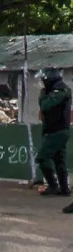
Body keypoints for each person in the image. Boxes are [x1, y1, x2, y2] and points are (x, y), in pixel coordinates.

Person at [35, 68, 72, 199]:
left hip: (58, 131)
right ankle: (64, 189)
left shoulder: (61, 91)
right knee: (59, 160)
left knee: (42, 157)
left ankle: (53, 185)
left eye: (44, 80)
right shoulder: (56, 91)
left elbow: (45, 105)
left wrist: (43, 94)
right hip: (55, 130)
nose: (42, 83)